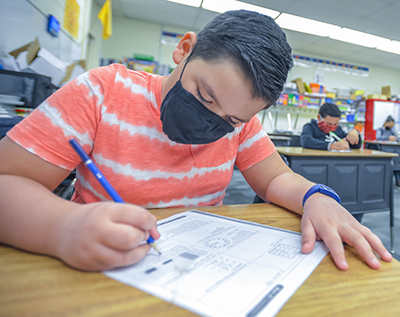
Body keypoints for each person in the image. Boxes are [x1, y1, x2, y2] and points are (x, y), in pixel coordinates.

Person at [0, 10, 391, 272]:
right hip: (95, 264)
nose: (212, 122)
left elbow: (274, 179)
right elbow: (7, 182)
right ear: (184, 50)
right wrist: (63, 228)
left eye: (233, 119)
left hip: (192, 269)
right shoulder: (102, 93)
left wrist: (316, 198)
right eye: (204, 97)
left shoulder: (240, 125)